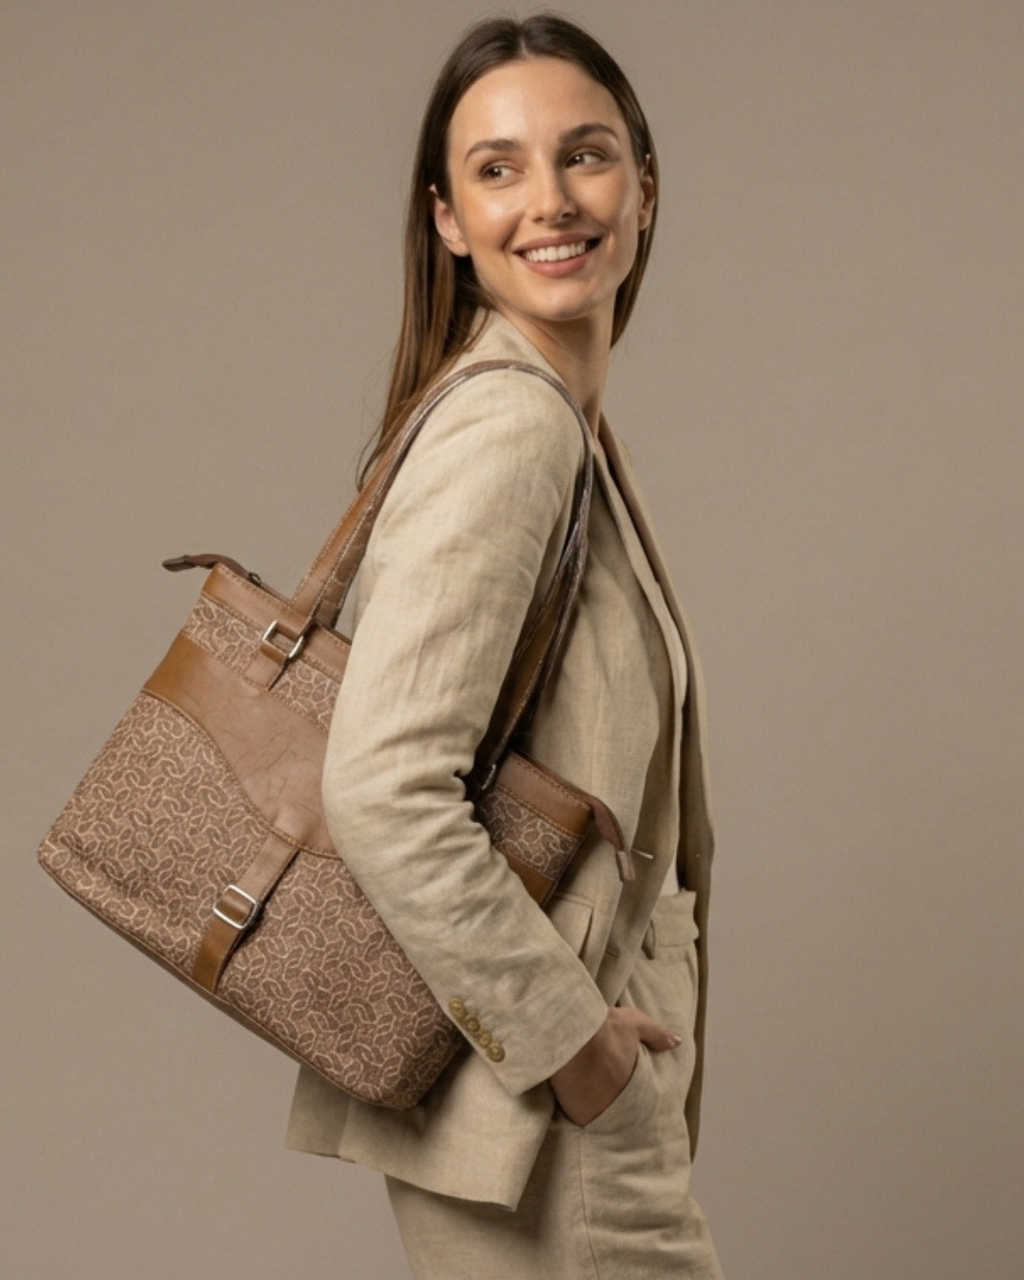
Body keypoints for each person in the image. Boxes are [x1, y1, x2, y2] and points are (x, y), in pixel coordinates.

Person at [286, 14, 724, 1278]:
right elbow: (381, 782)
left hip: (549, 1111)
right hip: (548, 1115)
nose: (549, 199)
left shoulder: (559, 421)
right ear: (445, 217)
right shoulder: (512, 431)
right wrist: (573, 1046)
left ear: (643, 186)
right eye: (496, 168)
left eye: (584, 156)